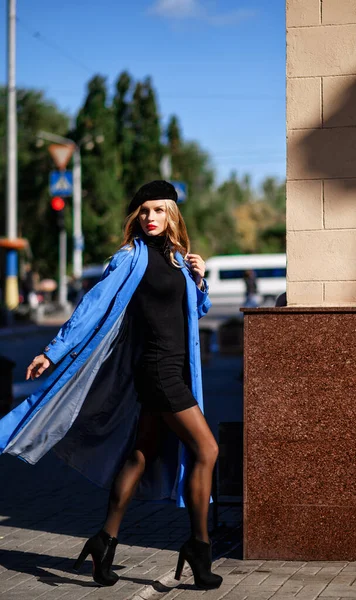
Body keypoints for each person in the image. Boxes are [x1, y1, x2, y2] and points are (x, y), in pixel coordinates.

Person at [0, 180, 222, 590]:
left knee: (140, 457)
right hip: (157, 371)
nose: (150, 218)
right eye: (144, 211)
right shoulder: (129, 259)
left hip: (176, 367)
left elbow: (195, 310)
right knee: (207, 449)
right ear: (136, 217)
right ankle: (198, 546)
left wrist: (200, 278)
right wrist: (53, 350)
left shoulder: (177, 258)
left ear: (172, 214)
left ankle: (104, 541)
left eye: (159, 210)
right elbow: (92, 306)